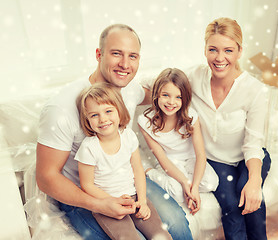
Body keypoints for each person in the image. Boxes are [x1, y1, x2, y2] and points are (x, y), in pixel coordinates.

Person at [36, 24, 192, 240]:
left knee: (175, 225)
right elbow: (45, 177)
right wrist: (99, 204)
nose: (125, 64)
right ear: (99, 54)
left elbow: (160, 94)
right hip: (84, 192)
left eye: (133, 56)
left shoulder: (129, 88)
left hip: (128, 181)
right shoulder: (61, 108)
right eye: (116, 53)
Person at [186, 17, 272, 240]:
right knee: (233, 208)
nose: (220, 58)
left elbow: (253, 145)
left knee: (251, 197)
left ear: (239, 51)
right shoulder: (194, 77)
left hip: (249, 157)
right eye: (213, 49)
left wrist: (255, 181)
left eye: (228, 50)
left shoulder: (255, 90)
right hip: (215, 160)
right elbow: (158, 85)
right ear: (205, 50)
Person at [75, 83, 172, 240]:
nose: (103, 119)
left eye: (108, 111)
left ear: (119, 111)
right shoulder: (88, 148)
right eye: (94, 115)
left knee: (162, 236)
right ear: (86, 119)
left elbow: (138, 170)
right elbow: (87, 185)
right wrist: (112, 201)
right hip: (106, 203)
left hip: (133, 196)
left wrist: (142, 200)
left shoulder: (128, 136)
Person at [137, 68, 219, 215]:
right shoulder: (144, 121)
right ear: (156, 95)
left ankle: (187, 184)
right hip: (168, 163)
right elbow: (162, 159)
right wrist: (185, 182)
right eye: (166, 95)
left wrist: (193, 188)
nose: (171, 102)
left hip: (190, 159)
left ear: (185, 98)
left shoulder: (191, 116)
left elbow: (201, 155)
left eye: (178, 97)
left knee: (211, 182)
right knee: (178, 192)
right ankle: (149, 172)